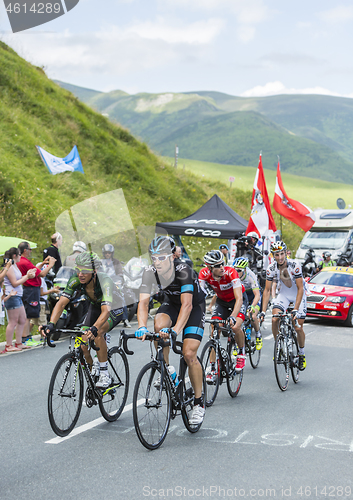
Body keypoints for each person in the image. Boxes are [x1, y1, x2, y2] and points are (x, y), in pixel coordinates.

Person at [134, 236, 206, 425]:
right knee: (158, 326)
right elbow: (142, 302)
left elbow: (187, 305)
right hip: (171, 304)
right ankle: (167, 369)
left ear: (172, 257)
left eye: (161, 258)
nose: (157, 262)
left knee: (189, 353)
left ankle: (199, 404)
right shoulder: (149, 272)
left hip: (193, 306)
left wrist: (175, 330)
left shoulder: (184, 271)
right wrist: (142, 326)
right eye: (154, 257)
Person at [41, 251, 125, 389]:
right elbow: (61, 303)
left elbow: (106, 311)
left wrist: (95, 328)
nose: (80, 274)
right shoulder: (75, 279)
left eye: (85, 271)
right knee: (82, 345)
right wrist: (51, 324)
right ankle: (93, 375)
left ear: (94, 271)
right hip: (95, 306)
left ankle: (104, 375)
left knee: (97, 333)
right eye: (78, 269)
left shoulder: (104, 281)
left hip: (113, 308)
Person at [199, 250, 247, 379]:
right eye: (217, 266)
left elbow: (239, 299)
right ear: (209, 267)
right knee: (215, 328)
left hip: (237, 300)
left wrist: (233, 316)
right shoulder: (203, 274)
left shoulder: (231, 272)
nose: (221, 267)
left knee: (235, 326)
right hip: (222, 302)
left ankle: (241, 352)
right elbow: (199, 297)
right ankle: (213, 366)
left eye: (222, 264)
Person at [260, 240, 307, 371]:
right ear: (272, 256)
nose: (279, 257)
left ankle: (301, 354)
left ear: (285, 253)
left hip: (298, 293)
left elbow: (300, 288)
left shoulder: (294, 265)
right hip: (284, 294)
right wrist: (263, 312)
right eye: (276, 254)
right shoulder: (271, 268)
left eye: (281, 254)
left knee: (298, 326)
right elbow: (267, 290)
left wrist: (296, 309)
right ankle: (279, 346)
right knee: (275, 318)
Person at [17, 241, 56, 345]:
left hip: (28, 289)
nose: (30, 251)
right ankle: (26, 338)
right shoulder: (25, 262)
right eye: (30, 249)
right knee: (28, 315)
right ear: (25, 250)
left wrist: (42, 264)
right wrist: (51, 265)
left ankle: (26, 337)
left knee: (29, 313)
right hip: (31, 289)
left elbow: (34, 271)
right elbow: (42, 274)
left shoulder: (21, 261)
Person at [1, 247, 36, 352]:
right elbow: (14, 283)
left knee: (22, 319)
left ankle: (19, 342)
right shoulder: (9, 267)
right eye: (20, 254)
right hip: (12, 296)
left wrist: (27, 274)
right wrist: (27, 277)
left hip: (18, 296)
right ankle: (8, 345)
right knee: (13, 321)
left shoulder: (15, 266)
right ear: (15, 256)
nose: (21, 256)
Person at [233, 256, 262, 349]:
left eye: (239, 270)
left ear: (245, 270)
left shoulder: (251, 275)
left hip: (252, 296)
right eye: (235, 270)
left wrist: (252, 306)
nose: (236, 273)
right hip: (242, 296)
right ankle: (236, 343)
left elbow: (257, 295)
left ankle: (258, 335)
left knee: (252, 316)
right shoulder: (233, 275)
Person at [101, 243, 131, 328]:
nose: (107, 254)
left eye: (109, 253)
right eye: (106, 253)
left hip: (114, 283)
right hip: (103, 283)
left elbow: (120, 273)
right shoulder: (100, 262)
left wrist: (119, 279)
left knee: (121, 297)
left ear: (112, 253)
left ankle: (125, 319)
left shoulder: (116, 262)